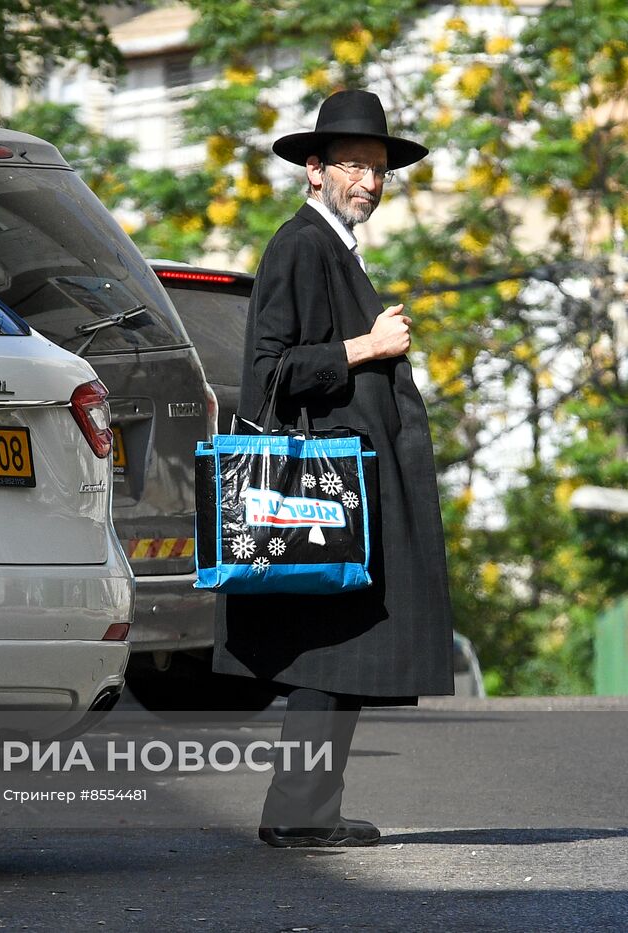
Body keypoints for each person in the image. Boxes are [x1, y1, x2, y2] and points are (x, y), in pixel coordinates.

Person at [212, 88, 455, 847]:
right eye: (352, 165)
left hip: (348, 486)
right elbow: (269, 369)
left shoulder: (334, 249)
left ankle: (306, 809)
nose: (370, 182)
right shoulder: (301, 245)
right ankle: (298, 812)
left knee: (339, 646)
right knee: (327, 648)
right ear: (312, 171)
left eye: (379, 169)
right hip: (324, 487)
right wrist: (370, 348)